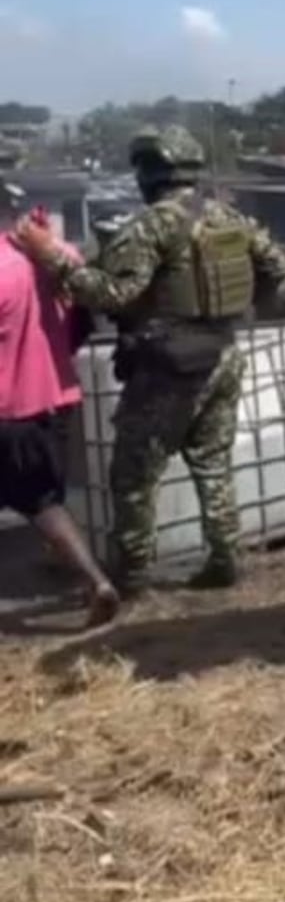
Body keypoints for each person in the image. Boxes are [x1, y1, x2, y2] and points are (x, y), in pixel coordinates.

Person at [17, 128, 285, 598]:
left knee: (133, 476)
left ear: (147, 175)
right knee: (213, 463)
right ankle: (225, 560)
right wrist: (234, 311)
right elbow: (278, 269)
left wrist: (52, 261)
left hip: (167, 368)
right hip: (222, 354)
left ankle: (132, 578)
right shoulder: (229, 216)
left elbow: (115, 295)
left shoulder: (151, 226)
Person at [0, 184, 119, 624]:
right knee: (46, 494)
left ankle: (94, 581)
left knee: (39, 501)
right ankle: (79, 575)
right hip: (57, 398)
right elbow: (84, 324)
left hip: (10, 407)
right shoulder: (61, 253)